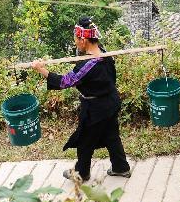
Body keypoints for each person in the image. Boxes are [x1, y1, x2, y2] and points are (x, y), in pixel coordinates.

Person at [31, 17, 131, 183]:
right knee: (111, 135)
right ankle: (121, 167)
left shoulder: (87, 65)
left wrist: (41, 69)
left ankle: (81, 173)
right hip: (111, 101)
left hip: (96, 108)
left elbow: (65, 81)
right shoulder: (104, 52)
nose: (76, 44)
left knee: (85, 140)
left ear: (83, 40)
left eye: (77, 40)